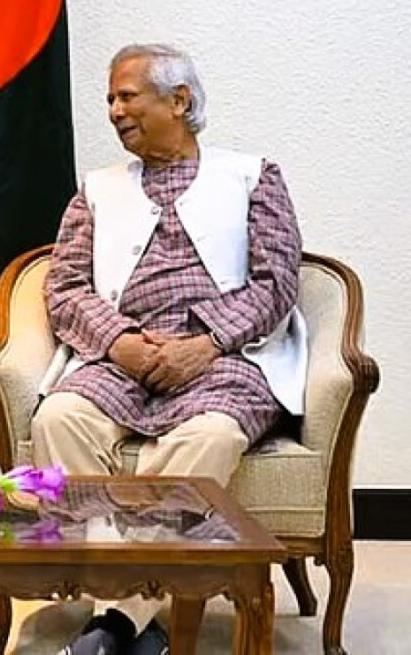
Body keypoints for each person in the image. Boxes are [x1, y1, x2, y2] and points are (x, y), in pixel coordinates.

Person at [33, 43, 307, 655]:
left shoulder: (253, 175)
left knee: (208, 438)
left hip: (225, 358)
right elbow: (66, 284)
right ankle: (133, 614)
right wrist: (120, 341)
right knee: (60, 419)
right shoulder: (96, 189)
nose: (113, 110)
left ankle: (114, 622)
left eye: (126, 96)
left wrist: (205, 342)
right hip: (121, 357)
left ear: (179, 100)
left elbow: (276, 283)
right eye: (109, 98)